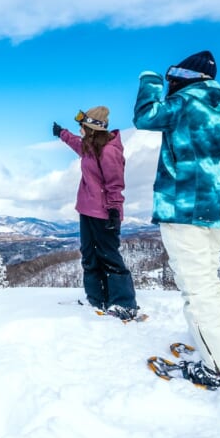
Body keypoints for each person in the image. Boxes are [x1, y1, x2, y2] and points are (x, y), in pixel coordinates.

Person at [133, 50, 220, 394]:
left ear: (184, 76)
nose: (170, 83)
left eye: (172, 78)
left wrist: (149, 80)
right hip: (215, 211)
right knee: (210, 283)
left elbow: (146, 116)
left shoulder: (184, 102)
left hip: (184, 209)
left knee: (197, 292)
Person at [52, 106, 140, 320]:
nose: (79, 129)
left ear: (92, 128)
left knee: (109, 257)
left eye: (82, 126)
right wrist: (62, 133)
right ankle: (96, 298)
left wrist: (113, 210)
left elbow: (115, 184)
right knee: (89, 255)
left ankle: (123, 303)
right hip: (87, 210)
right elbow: (76, 144)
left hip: (104, 213)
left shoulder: (109, 151)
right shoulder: (89, 147)